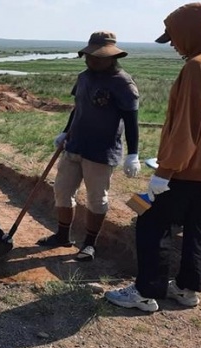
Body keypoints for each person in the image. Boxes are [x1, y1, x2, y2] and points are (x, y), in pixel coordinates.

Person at [105, 2, 201, 312]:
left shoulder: (197, 66)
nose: (174, 44)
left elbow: (187, 125)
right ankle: (187, 290)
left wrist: (165, 171)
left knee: (151, 223)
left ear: (191, 31)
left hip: (182, 171)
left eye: (175, 37)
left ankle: (145, 293)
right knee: (197, 231)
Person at [37, 30, 140, 262]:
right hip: (74, 145)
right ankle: (62, 236)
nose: (92, 60)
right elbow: (78, 108)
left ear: (111, 57)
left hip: (101, 153)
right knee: (62, 191)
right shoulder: (84, 77)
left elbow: (132, 121)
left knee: (97, 199)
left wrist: (133, 154)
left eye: (98, 56)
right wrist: (65, 131)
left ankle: (89, 244)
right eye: (89, 56)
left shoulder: (123, 83)